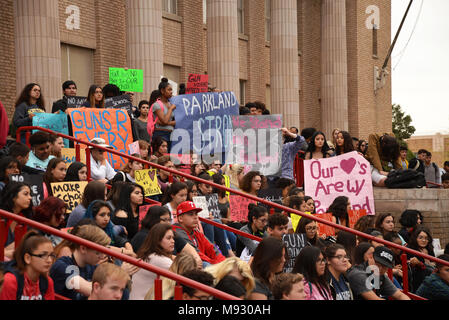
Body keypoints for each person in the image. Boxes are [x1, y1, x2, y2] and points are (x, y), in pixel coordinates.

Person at [49, 224, 111, 300]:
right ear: (83, 248)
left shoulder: (92, 267)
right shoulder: (62, 266)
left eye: (103, 252)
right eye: (98, 252)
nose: (102, 256)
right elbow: (89, 289)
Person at [0, 231, 55, 300]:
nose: (49, 260)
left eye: (51, 255)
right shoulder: (10, 281)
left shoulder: (47, 282)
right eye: (43, 255)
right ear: (27, 258)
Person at [172, 201, 226, 267]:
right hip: (186, 267)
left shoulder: (196, 232)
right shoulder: (177, 232)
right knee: (206, 265)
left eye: (196, 214)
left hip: (201, 263)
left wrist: (224, 263)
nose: (195, 217)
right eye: (191, 214)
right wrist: (216, 265)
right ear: (180, 218)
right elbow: (196, 255)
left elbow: (213, 249)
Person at [130, 223, 174, 300]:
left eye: (173, 238)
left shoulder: (150, 256)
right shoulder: (160, 260)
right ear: (158, 240)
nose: (173, 241)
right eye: (168, 238)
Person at [0, 182, 34, 259]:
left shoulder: (26, 220)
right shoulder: (1, 217)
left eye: (30, 194)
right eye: (26, 194)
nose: (30, 198)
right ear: (13, 197)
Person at [406, 225, 436, 293]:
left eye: (426, 238)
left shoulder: (429, 248)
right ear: (415, 238)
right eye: (420, 238)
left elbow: (434, 264)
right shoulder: (410, 249)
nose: (424, 240)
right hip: (417, 280)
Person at [151, 78, 176, 148]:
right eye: (169, 90)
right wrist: (170, 109)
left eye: (172, 90)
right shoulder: (157, 105)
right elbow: (164, 121)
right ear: (162, 91)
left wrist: (168, 123)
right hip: (160, 134)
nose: (171, 92)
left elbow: (177, 121)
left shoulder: (171, 104)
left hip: (171, 134)